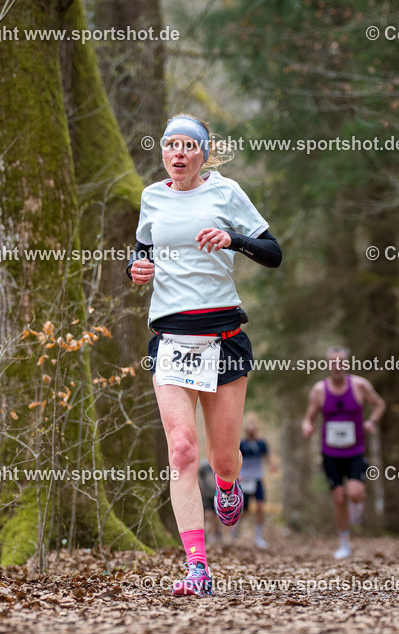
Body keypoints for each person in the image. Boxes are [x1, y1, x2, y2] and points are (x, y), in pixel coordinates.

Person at [128, 113, 282, 596]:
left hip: (224, 336)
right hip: (171, 339)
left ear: (203, 153)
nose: (178, 153)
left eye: (188, 145)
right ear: (162, 151)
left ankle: (228, 486)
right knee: (181, 450)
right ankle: (198, 568)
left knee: (223, 461)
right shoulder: (151, 197)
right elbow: (141, 248)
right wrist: (136, 267)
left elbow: (273, 252)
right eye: (170, 144)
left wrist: (233, 239)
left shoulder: (225, 192)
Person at [301, 346, 386, 559]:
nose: (337, 366)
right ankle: (344, 544)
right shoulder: (319, 390)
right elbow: (308, 417)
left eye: (341, 362)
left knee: (354, 493)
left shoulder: (359, 385)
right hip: (330, 453)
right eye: (333, 362)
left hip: (355, 451)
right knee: (339, 498)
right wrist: (307, 426)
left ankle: (358, 505)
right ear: (327, 364)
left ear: (347, 363)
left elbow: (379, 404)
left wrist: (372, 421)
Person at [235, 415, 277, 548]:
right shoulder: (241, 444)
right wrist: (237, 474)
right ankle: (235, 527)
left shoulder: (261, 444)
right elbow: (236, 459)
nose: (251, 428)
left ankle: (258, 536)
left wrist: (272, 465)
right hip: (245, 479)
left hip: (257, 478)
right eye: (249, 425)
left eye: (254, 425)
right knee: (245, 510)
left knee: (260, 506)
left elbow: (268, 457)